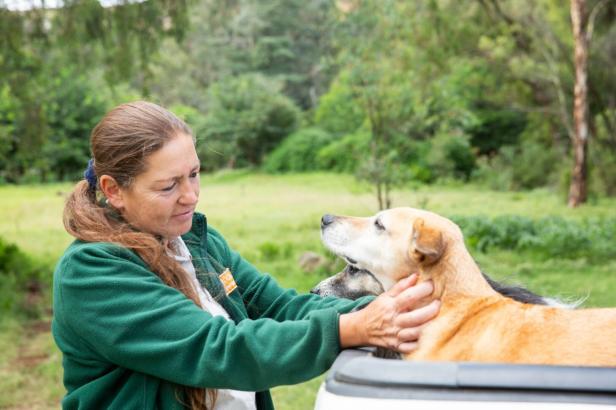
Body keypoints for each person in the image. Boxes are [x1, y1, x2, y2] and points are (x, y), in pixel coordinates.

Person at [52, 101, 440, 410]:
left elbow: (280, 307)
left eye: (194, 173)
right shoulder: (92, 272)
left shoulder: (198, 244)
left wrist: (383, 311)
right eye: (169, 186)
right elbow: (217, 349)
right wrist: (352, 329)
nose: (191, 195)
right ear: (114, 189)